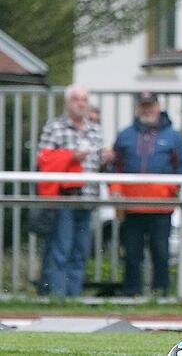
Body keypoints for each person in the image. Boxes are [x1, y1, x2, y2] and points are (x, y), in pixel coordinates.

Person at [111, 91, 182, 296]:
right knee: (131, 253)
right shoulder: (125, 135)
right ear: (138, 108)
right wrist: (116, 190)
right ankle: (131, 293)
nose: (147, 109)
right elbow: (114, 165)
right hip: (131, 206)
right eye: (143, 105)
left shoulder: (173, 137)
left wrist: (172, 189)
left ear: (158, 106)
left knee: (161, 252)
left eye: (150, 105)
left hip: (161, 207)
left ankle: (161, 293)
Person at [37, 85, 106, 298]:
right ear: (68, 103)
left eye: (84, 99)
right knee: (61, 248)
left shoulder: (95, 130)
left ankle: (74, 296)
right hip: (64, 198)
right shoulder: (54, 127)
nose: (81, 103)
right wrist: (71, 157)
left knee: (81, 250)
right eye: (76, 99)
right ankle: (56, 296)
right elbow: (44, 159)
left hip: (88, 197)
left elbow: (97, 163)